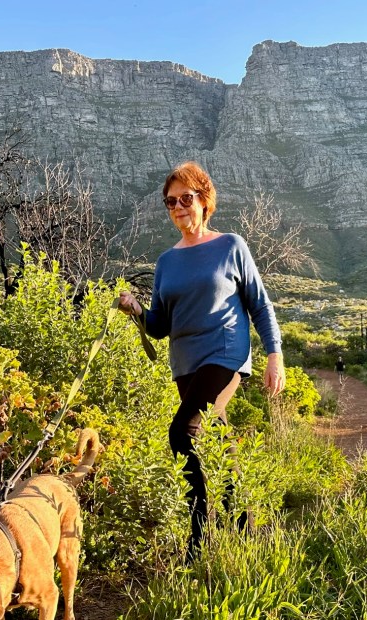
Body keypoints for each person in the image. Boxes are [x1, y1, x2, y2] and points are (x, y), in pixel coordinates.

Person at [118, 161, 285, 561]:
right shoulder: (166, 262)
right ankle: (244, 530)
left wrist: (274, 355)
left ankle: (199, 536)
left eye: (186, 198)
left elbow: (260, 306)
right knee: (218, 442)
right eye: (170, 201)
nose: (178, 207)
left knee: (181, 432)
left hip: (225, 355)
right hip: (186, 364)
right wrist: (136, 309)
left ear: (204, 201)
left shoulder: (230, 246)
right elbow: (160, 326)